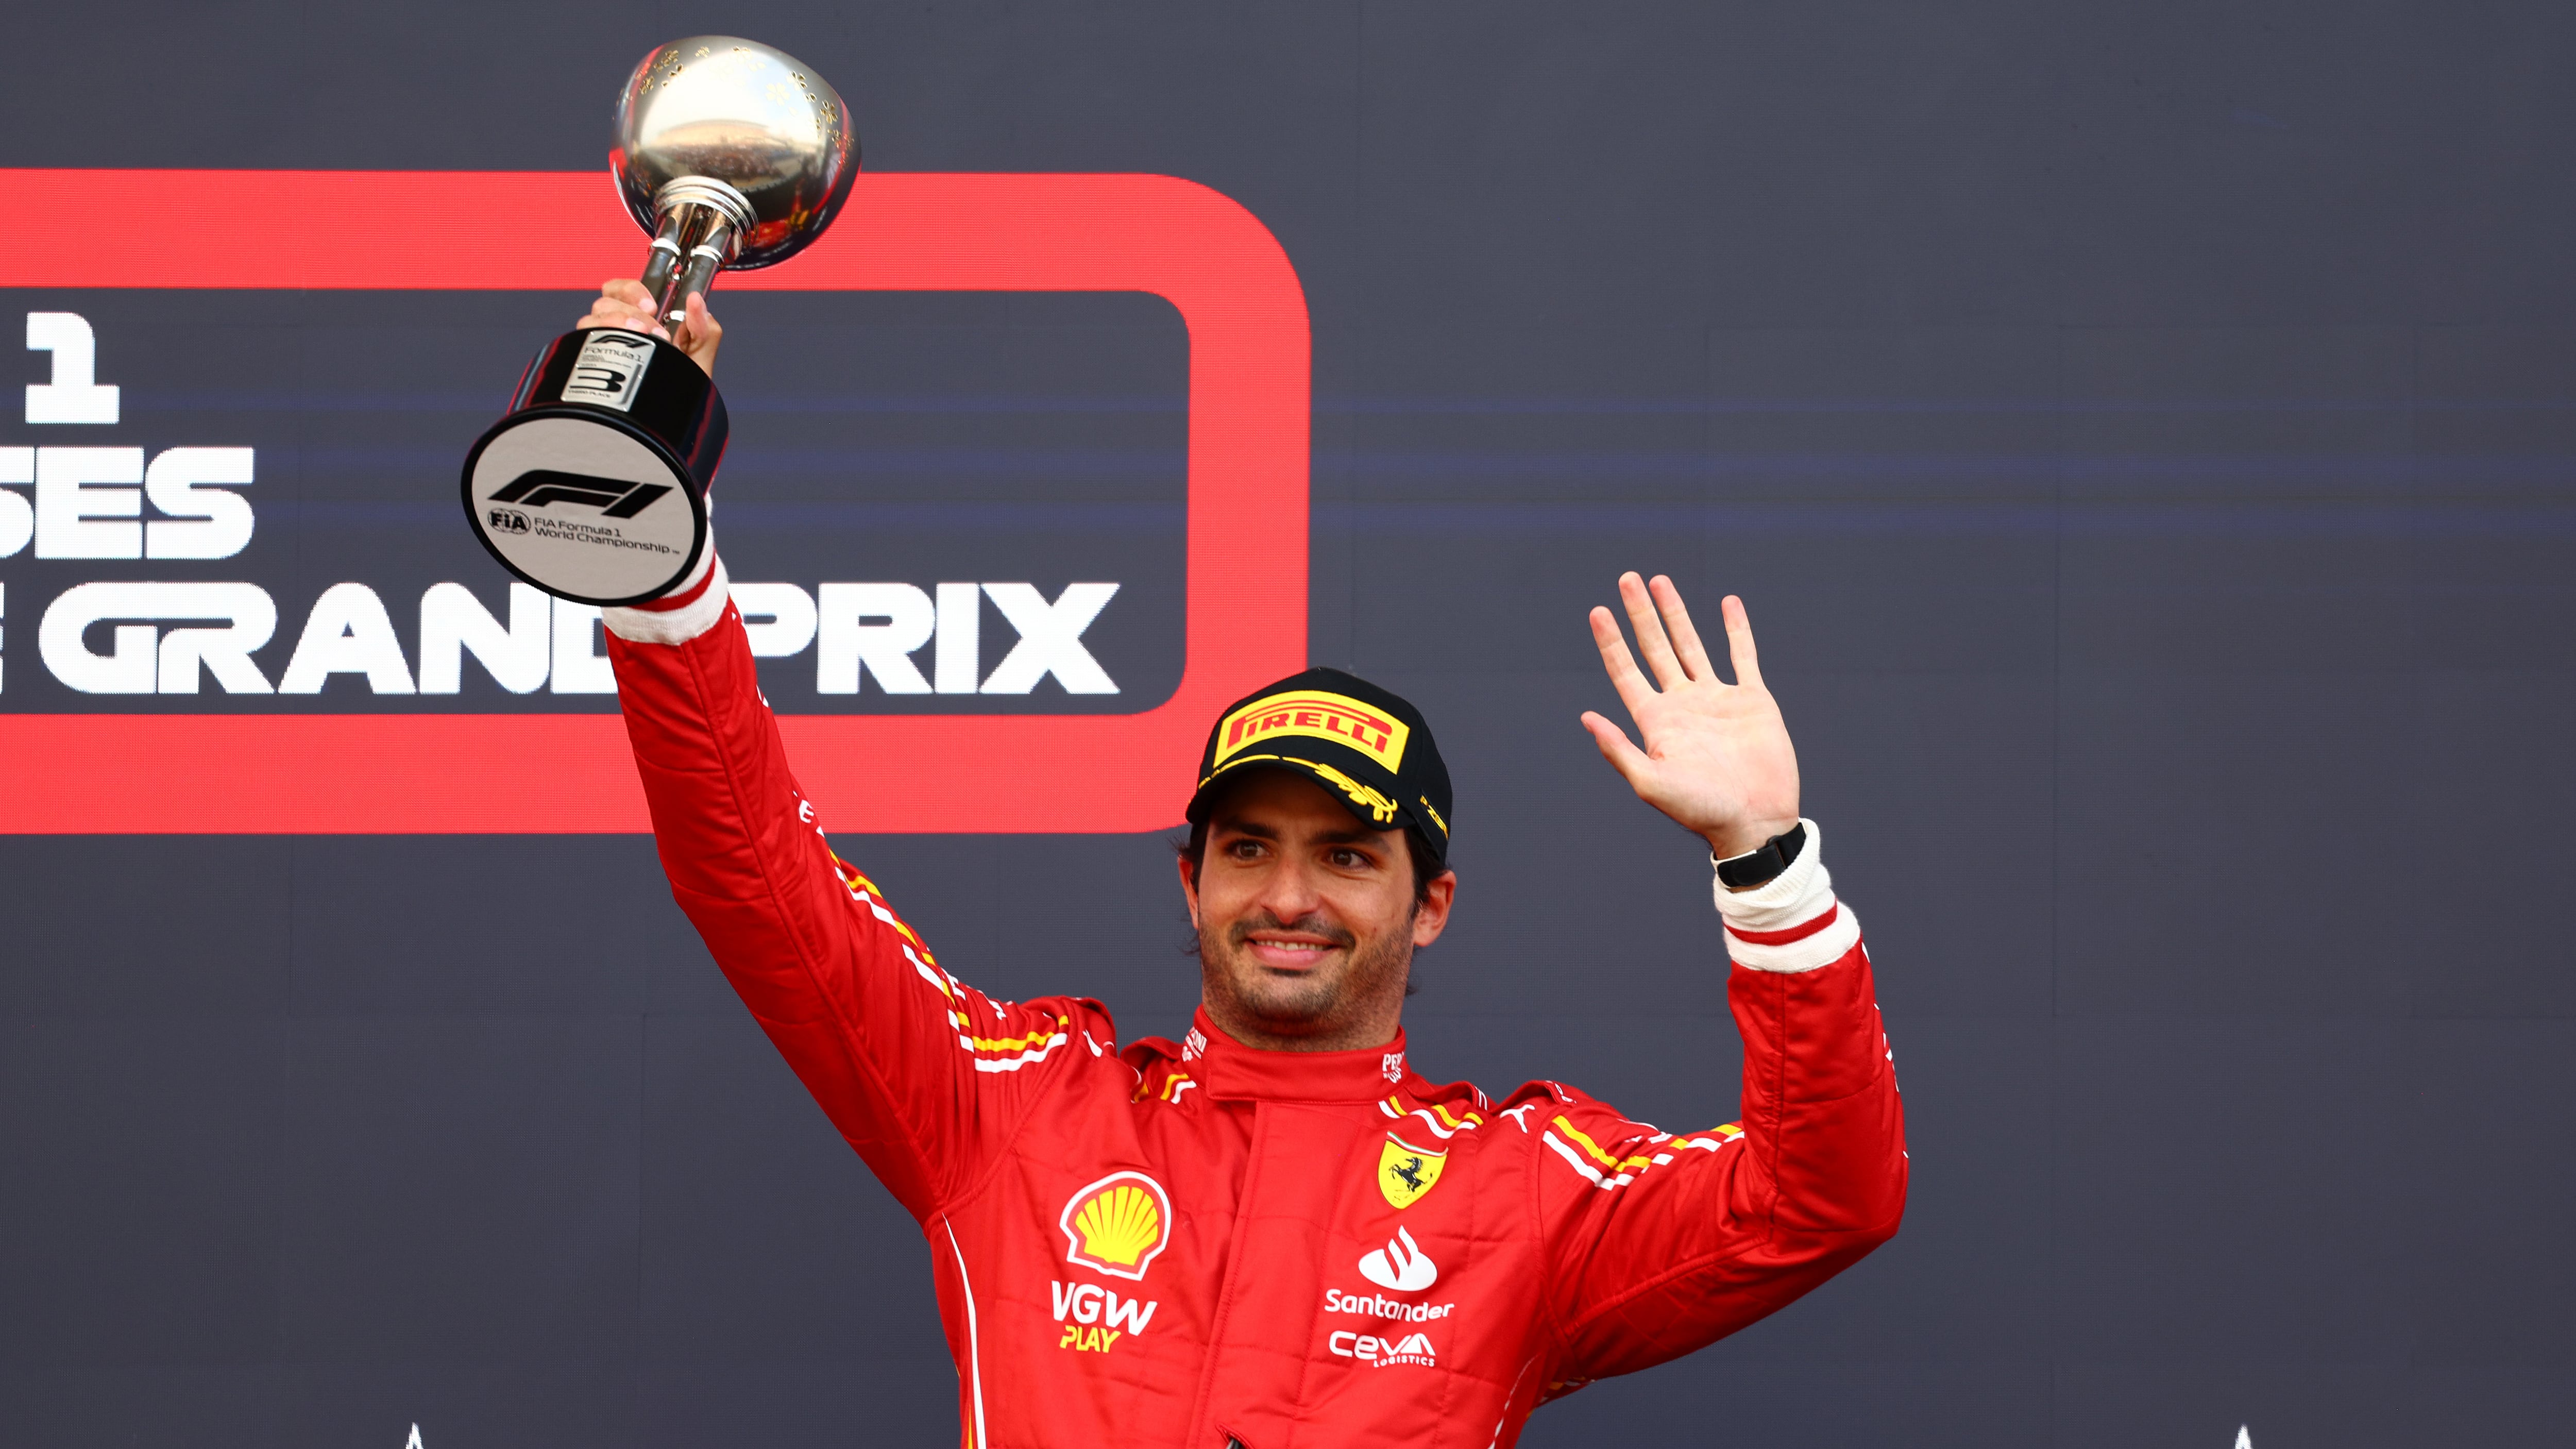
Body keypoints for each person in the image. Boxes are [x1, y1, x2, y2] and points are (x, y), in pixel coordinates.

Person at [578, 282, 1907, 1447]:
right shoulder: (1017, 1113)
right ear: (1190, 880)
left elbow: (1821, 1200)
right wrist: (659, 568)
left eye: (1346, 856)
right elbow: (757, 876)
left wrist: (1764, 859)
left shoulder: (1526, 1193)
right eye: (1248, 849)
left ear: (1429, 904)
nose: (1286, 897)